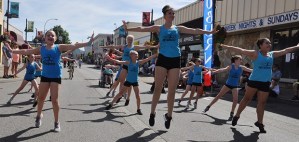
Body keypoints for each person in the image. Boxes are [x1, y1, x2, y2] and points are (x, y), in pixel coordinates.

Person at [122, 5, 217, 129]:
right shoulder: (159, 28)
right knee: (158, 88)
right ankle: (152, 113)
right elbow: (142, 28)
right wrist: (128, 28)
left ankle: (169, 116)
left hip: (175, 60)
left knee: (171, 91)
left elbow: (195, 31)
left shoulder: (178, 28)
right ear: (165, 15)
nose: (172, 15)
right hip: (162, 59)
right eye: (170, 13)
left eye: (173, 13)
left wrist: (209, 32)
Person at [8, 30, 94, 132]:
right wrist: (13, 51)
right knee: (41, 98)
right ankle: (39, 116)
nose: (50, 37)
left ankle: (56, 122)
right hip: (45, 76)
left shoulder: (59, 47)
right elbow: (26, 51)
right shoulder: (41, 48)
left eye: (52, 35)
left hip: (56, 77)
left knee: (54, 100)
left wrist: (88, 43)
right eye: (48, 35)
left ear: (55, 38)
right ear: (45, 38)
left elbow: (74, 45)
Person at [221, 39, 299, 133]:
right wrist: (227, 47)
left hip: (265, 82)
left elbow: (285, 50)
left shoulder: (271, 54)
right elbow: (241, 50)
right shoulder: (255, 53)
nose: (269, 44)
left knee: (262, 103)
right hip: (254, 81)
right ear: (260, 45)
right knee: (247, 99)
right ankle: (237, 115)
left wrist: (297, 46)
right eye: (267, 43)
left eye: (270, 43)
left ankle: (260, 122)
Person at [99, 35, 157, 105]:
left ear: (133, 40)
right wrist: (104, 47)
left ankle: (128, 98)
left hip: (131, 66)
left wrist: (155, 47)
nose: (130, 41)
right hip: (124, 65)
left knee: (130, 83)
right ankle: (120, 95)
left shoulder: (134, 47)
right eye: (128, 39)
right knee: (121, 80)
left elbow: (144, 47)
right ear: (126, 40)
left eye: (131, 40)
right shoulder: (124, 46)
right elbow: (114, 46)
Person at [105, 51, 157, 115]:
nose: (137, 55)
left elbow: (147, 59)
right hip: (128, 81)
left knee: (138, 96)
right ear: (131, 56)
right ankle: (111, 104)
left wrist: (155, 54)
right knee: (120, 93)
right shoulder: (128, 62)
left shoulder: (138, 62)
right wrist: (110, 59)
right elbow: (119, 62)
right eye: (135, 54)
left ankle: (138, 109)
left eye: (137, 54)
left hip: (135, 82)